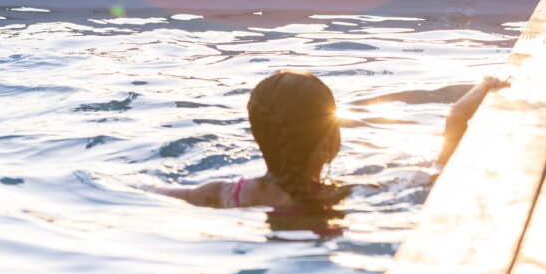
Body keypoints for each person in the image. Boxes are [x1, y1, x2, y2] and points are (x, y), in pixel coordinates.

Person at [155, 68, 509, 210]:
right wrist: (473, 98)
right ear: (329, 142)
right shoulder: (342, 197)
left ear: (259, 135)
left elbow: (152, 191)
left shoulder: (225, 193)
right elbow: (442, 166)